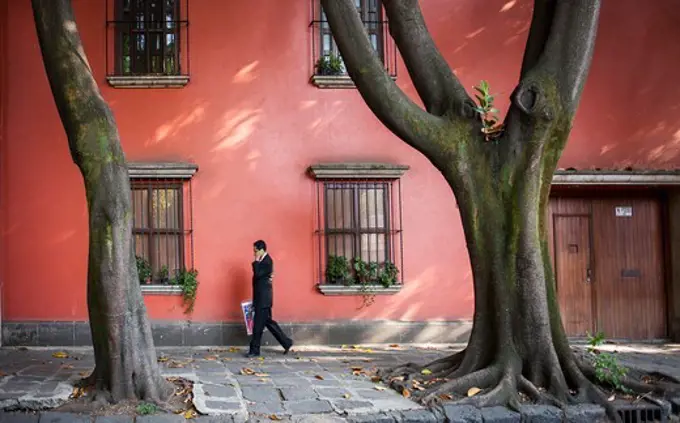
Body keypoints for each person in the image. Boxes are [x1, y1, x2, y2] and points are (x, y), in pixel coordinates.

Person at [246, 240, 293, 358]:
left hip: (264, 300)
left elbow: (257, 275)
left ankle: (255, 350)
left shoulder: (267, 262)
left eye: (255, 251)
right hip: (261, 299)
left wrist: (256, 261)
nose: (254, 253)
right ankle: (286, 342)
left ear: (261, 250)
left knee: (257, 326)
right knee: (269, 323)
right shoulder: (264, 261)